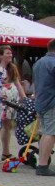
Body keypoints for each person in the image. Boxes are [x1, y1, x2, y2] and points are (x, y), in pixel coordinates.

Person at [33, 38, 55, 176]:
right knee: (50, 133)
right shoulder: (53, 63)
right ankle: (42, 165)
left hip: (41, 102)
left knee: (45, 132)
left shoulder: (39, 62)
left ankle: (42, 162)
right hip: (52, 102)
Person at [0, 63, 25, 160]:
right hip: (0, 100)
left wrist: (25, 99)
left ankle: (6, 152)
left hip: (12, 101)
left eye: (10, 53)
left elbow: (17, 83)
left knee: (8, 126)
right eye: (7, 53)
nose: (10, 55)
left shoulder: (12, 68)